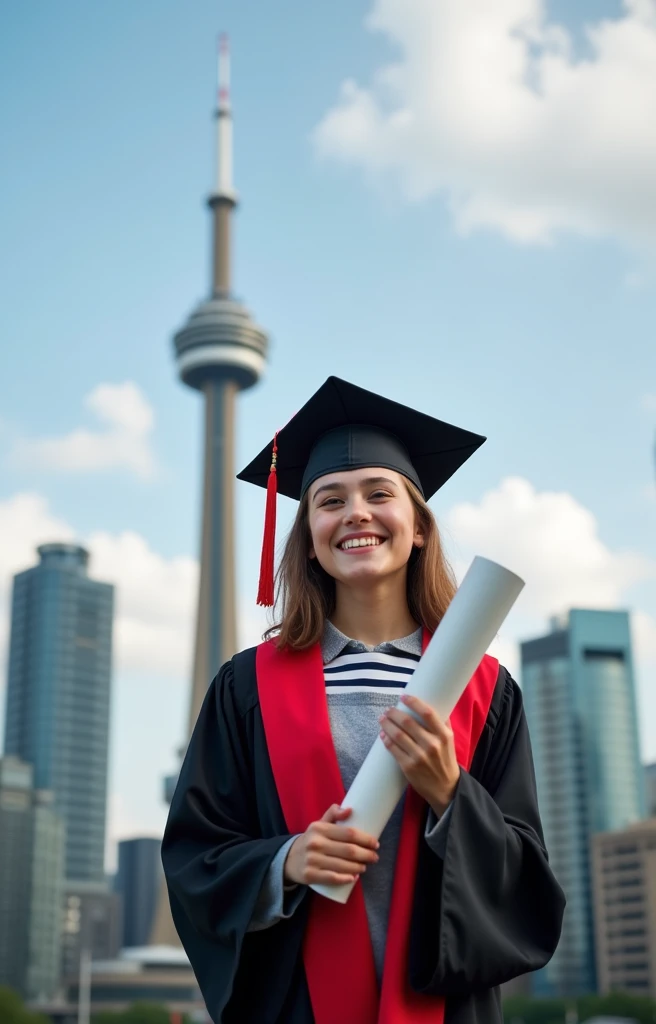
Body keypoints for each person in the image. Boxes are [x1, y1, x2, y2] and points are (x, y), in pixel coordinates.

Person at [162, 376, 565, 1024]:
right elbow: (193, 854)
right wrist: (284, 861)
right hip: (296, 1005)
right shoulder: (246, 688)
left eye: (380, 494)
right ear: (309, 535)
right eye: (329, 500)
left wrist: (450, 794)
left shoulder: (484, 690)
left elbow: (527, 885)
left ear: (420, 527)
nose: (355, 513)